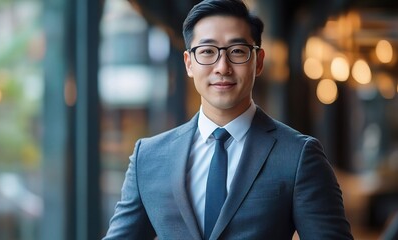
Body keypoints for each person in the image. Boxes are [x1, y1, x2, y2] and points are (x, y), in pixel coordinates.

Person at [103, 0, 353, 239]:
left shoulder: (299, 156)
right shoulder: (148, 158)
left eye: (237, 51)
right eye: (208, 51)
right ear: (189, 63)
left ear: (258, 62)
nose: (222, 67)